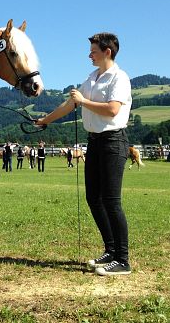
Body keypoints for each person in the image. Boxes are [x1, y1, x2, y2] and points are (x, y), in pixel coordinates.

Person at [35, 32, 132, 276]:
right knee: (93, 198)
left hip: (113, 142)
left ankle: (123, 259)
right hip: (95, 143)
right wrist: (44, 120)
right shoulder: (92, 78)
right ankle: (110, 251)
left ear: (107, 51)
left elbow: (112, 110)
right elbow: (70, 105)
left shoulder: (119, 78)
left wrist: (83, 101)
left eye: (94, 51)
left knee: (111, 201)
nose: (89, 55)